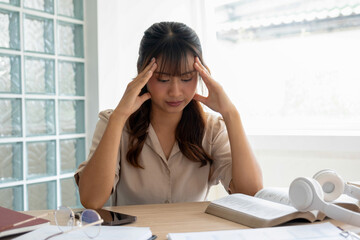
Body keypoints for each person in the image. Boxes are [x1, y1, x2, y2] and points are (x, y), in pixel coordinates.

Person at [75, 21, 263, 209]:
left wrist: (231, 114)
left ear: (200, 74)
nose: (175, 92)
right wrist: (118, 118)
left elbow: (251, 195)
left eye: (186, 78)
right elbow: (91, 200)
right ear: (143, 73)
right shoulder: (113, 122)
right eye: (163, 79)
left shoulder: (212, 129)